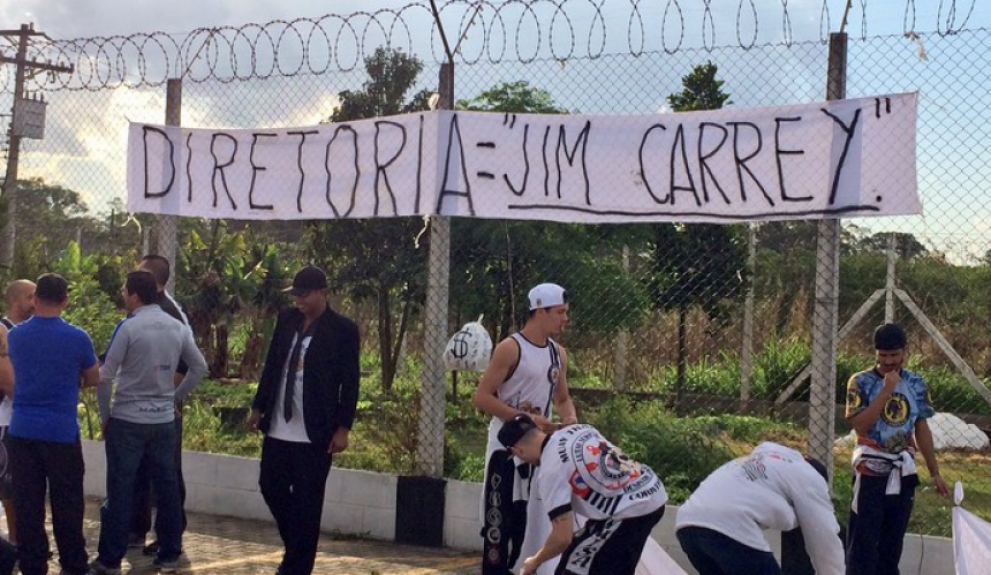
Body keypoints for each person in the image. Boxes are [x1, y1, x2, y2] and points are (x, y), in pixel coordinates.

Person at [90, 271, 208, 575]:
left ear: (134, 296)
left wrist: (106, 416)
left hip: (128, 419)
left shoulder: (128, 327)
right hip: (163, 421)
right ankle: (170, 553)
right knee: (167, 487)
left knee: (120, 489)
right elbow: (199, 367)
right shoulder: (176, 327)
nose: (122, 295)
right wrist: (173, 397)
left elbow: (105, 377)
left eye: (124, 291)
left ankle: (110, 559)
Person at [247, 265, 360, 575]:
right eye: (294, 295)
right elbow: (272, 364)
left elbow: (350, 382)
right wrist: (258, 407)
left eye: (304, 295)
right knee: (270, 486)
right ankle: (296, 548)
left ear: (323, 293)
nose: (298, 301)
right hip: (279, 425)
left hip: (316, 430)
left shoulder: (343, 330)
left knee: (309, 503)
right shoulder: (287, 320)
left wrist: (343, 427)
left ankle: (296, 567)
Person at [472, 283, 578, 575]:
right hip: (504, 448)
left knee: (529, 518)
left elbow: (563, 398)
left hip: (538, 449)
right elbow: (482, 397)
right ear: (540, 310)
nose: (565, 319)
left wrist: (569, 421)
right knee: (498, 518)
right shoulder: (510, 348)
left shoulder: (559, 354)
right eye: (560, 312)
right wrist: (524, 418)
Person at [6, 273, 100, 575]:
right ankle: (73, 563)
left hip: (22, 430)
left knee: (28, 503)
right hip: (60, 431)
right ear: (65, 300)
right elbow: (93, 377)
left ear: (36, 299)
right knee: (68, 502)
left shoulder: (16, 335)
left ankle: (34, 563)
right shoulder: (77, 337)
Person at [497, 414, 667, 575]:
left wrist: (534, 561)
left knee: (575, 570)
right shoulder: (580, 428)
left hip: (631, 511)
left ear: (517, 451)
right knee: (584, 557)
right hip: (650, 489)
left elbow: (562, 537)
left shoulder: (550, 471)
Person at [844, 323, 948, 575]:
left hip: (902, 470)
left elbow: (921, 427)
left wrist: (934, 471)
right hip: (871, 470)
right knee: (864, 540)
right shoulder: (861, 381)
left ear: (905, 352)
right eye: (883, 356)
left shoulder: (916, 383)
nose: (889, 361)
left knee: (893, 538)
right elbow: (860, 425)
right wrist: (887, 390)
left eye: (894, 355)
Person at [675, 442, 845, 575]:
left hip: (687, 526)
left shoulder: (758, 461)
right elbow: (824, 539)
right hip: (729, 528)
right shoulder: (809, 477)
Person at [126, 255, 194, 555]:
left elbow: (187, 363)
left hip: (160, 408)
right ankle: (137, 530)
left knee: (166, 472)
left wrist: (169, 396)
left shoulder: (168, 314)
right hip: (147, 407)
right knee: (143, 469)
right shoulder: (151, 310)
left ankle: (170, 535)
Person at [0, 278, 35, 544]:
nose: (36, 301)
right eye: (30, 296)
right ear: (14, 300)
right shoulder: (4, 331)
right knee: (9, 488)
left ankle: (26, 540)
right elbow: (9, 384)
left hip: (28, 419)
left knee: (26, 486)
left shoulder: (34, 331)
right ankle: (15, 542)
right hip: (8, 417)